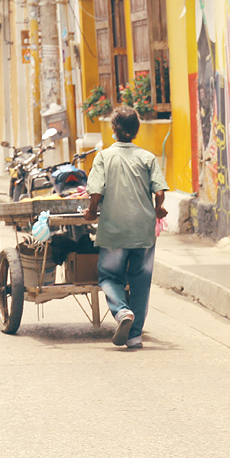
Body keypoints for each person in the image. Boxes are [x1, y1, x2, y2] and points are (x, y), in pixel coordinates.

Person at [82, 105, 168, 349]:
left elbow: (96, 192)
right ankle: (134, 336)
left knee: (109, 275)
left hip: (114, 229)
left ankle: (121, 311)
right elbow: (159, 191)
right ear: (137, 131)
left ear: (114, 130)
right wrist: (158, 208)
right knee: (141, 281)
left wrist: (90, 211)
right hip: (143, 230)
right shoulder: (147, 157)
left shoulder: (104, 157)